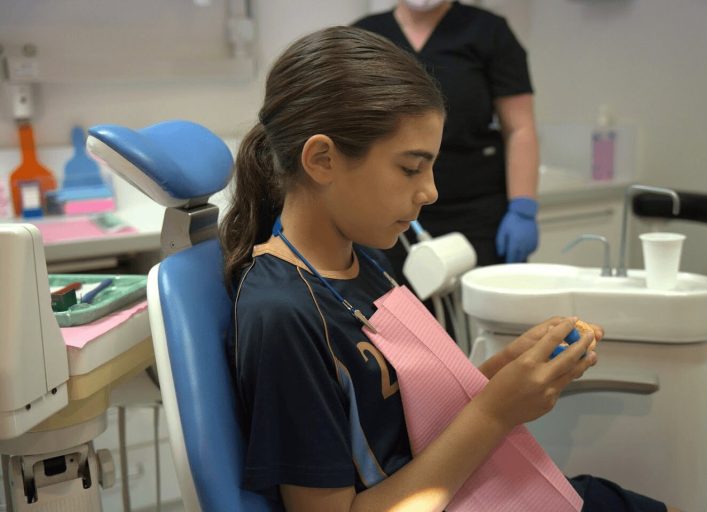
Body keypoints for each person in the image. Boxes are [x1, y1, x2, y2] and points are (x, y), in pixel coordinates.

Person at [221, 25, 678, 512]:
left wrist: (506, 373)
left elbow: (402, 425)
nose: (431, 191)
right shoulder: (283, 315)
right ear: (322, 159)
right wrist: (495, 413)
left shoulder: (364, 262)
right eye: (410, 168)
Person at [354, 0, 541, 281]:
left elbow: (520, 129)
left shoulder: (488, 32)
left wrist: (523, 209)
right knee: (393, 304)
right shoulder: (365, 36)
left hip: (476, 214)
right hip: (388, 212)